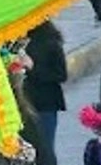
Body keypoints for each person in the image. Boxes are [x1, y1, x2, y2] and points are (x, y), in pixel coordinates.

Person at [23, 20, 68, 155]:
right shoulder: (18, 42)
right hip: (24, 104)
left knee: (45, 148)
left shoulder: (51, 42)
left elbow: (61, 75)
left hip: (45, 104)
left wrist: (32, 67)